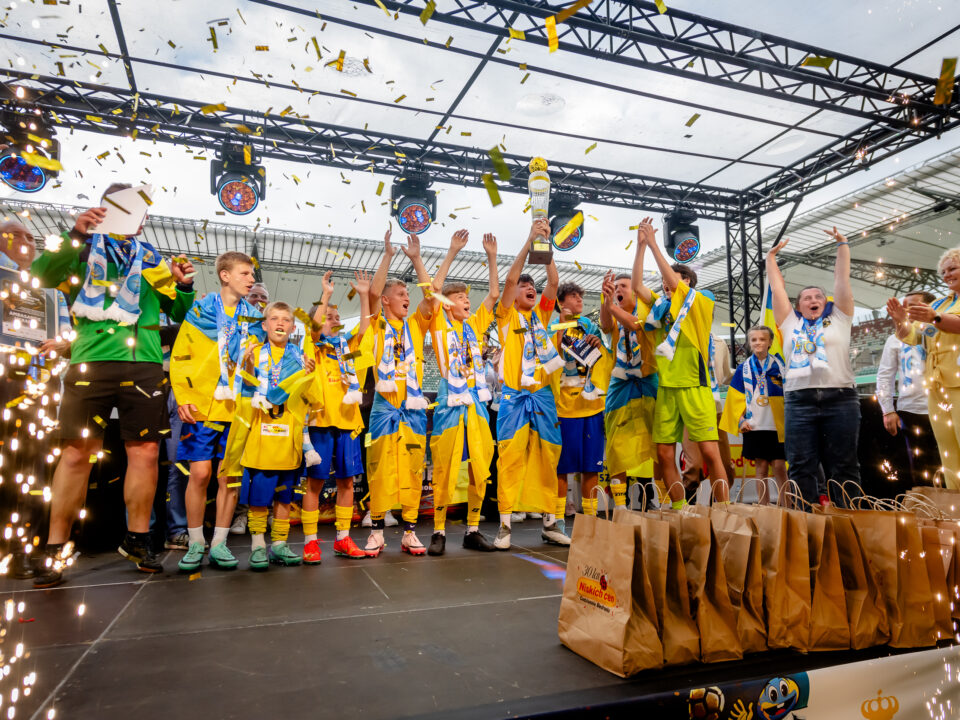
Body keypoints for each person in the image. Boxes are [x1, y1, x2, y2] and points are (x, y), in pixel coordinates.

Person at [31, 186, 196, 587]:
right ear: (106, 209)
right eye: (126, 208)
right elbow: (42, 276)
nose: (136, 216)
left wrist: (183, 286)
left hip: (144, 365)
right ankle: (55, 546)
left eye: (141, 210)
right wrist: (76, 234)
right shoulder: (81, 250)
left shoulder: (154, 260)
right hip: (91, 359)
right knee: (76, 454)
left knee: (146, 452)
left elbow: (178, 311)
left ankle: (138, 539)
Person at [170, 251, 263, 572]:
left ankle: (220, 543)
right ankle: (196, 542)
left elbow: (259, 366)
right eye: (245, 273)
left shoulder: (254, 318)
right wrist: (183, 395)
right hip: (202, 405)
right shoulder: (200, 310)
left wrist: (254, 363)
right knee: (199, 474)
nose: (251, 279)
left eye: (252, 274)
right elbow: (181, 354)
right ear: (225, 275)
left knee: (230, 478)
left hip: (238, 408)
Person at [634, 218, 727, 506]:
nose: (667, 282)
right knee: (664, 454)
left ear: (688, 282)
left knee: (709, 452)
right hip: (667, 388)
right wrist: (640, 247)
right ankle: (679, 508)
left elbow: (676, 284)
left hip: (695, 387)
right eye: (665, 279)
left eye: (675, 278)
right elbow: (637, 286)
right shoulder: (661, 308)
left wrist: (654, 245)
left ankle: (724, 508)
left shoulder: (702, 300)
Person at [766, 227, 858, 505]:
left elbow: (841, 280)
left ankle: (849, 520)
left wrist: (842, 245)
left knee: (844, 466)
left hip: (840, 398)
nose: (813, 300)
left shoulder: (840, 317)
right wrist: (770, 258)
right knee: (800, 466)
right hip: (799, 401)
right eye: (807, 298)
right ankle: (807, 522)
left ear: (826, 302)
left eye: (818, 296)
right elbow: (777, 289)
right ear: (798, 305)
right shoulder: (789, 323)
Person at [493, 218, 567, 550]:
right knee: (509, 459)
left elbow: (553, 281)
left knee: (548, 457)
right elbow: (510, 280)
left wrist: (545, 246)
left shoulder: (543, 317)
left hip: (543, 397)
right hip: (514, 397)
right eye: (525, 285)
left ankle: (550, 523)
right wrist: (528, 239)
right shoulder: (506, 316)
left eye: (531, 285)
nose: (529, 287)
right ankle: (505, 525)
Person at [362, 228, 436, 557]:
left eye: (408, 293)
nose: (407, 297)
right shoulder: (378, 324)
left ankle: (409, 531)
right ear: (387, 300)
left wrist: (417, 259)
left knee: (413, 468)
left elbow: (431, 298)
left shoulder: (416, 325)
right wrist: (388, 256)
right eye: (401, 293)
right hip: (384, 408)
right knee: (379, 467)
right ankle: (377, 531)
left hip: (414, 409)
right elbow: (373, 293)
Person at [426, 230, 500, 555]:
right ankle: (439, 531)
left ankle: (472, 529)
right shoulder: (440, 324)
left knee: (480, 467)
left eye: (467, 298)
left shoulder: (475, 326)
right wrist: (452, 251)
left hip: (477, 403)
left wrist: (492, 257)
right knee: (444, 467)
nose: (467, 301)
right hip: (449, 402)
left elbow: (494, 294)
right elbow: (433, 290)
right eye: (460, 298)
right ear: (448, 304)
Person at [300, 269, 372, 563]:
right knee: (315, 484)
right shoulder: (312, 349)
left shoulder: (346, 350)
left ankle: (343, 538)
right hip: (319, 423)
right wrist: (325, 296)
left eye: (337, 316)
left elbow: (365, 329)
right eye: (329, 316)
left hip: (348, 422)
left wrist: (365, 296)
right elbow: (312, 328)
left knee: (347, 482)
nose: (335, 320)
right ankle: (310, 542)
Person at [237, 301, 316, 570]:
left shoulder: (300, 358)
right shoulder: (255, 353)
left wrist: (309, 375)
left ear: (293, 327)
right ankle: (258, 546)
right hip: (262, 434)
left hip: (289, 435)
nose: (280, 323)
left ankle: (280, 544)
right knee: (259, 497)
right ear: (264, 325)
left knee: (285, 496)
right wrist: (248, 366)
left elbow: (308, 397)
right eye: (274, 319)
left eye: (286, 319)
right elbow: (245, 391)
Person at [598, 228, 659, 512]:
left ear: (636, 291)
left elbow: (633, 324)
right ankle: (621, 507)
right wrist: (605, 302)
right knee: (616, 445)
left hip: (648, 382)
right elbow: (606, 325)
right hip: (620, 385)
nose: (619, 289)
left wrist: (642, 246)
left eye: (624, 286)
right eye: (616, 287)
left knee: (658, 444)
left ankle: (660, 501)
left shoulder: (649, 311)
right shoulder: (611, 310)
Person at [888, 254, 960, 488]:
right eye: (944, 272)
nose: (947, 275)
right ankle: (955, 502)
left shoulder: (936, 310)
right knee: (948, 452)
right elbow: (912, 337)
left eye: (953, 268)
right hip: (937, 386)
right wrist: (900, 320)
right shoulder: (938, 304)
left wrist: (935, 318)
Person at [553, 280, 609, 520]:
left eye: (580, 296)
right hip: (564, 408)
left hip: (592, 406)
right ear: (560, 302)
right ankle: (556, 521)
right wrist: (560, 329)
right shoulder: (552, 325)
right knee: (563, 467)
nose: (579, 300)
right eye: (573, 296)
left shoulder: (588, 324)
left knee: (591, 466)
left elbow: (602, 353)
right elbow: (550, 357)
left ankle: (591, 519)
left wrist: (597, 342)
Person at [875, 292, 941, 487]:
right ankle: (925, 504)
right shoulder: (894, 339)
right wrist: (888, 409)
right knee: (920, 468)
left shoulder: (943, 332)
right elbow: (885, 375)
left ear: (930, 307)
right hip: (912, 410)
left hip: (945, 408)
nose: (905, 310)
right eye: (903, 305)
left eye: (912, 305)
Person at [720, 326, 787, 504]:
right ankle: (764, 509)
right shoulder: (743, 369)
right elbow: (734, 400)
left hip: (778, 426)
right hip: (754, 426)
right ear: (749, 343)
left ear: (770, 342)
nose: (758, 343)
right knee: (761, 468)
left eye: (762, 339)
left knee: (780, 467)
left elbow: (790, 395)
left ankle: (788, 508)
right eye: (754, 340)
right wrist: (741, 421)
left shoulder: (780, 366)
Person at [231, 283, 271, 537]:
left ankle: (264, 511)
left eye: (263, 297)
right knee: (241, 464)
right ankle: (241, 513)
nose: (258, 300)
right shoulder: (237, 331)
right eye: (254, 295)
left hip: (268, 408)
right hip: (241, 404)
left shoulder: (275, 337)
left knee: (267, 462)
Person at [681, 333, 736, 496]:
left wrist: (745, 374)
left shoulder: (719, 343)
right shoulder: (682, 339)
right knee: (694, 466)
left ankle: (719, 504)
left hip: (714, 408)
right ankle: (689, 504)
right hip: (691, 408)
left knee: (725, 465)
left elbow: (726, 374)